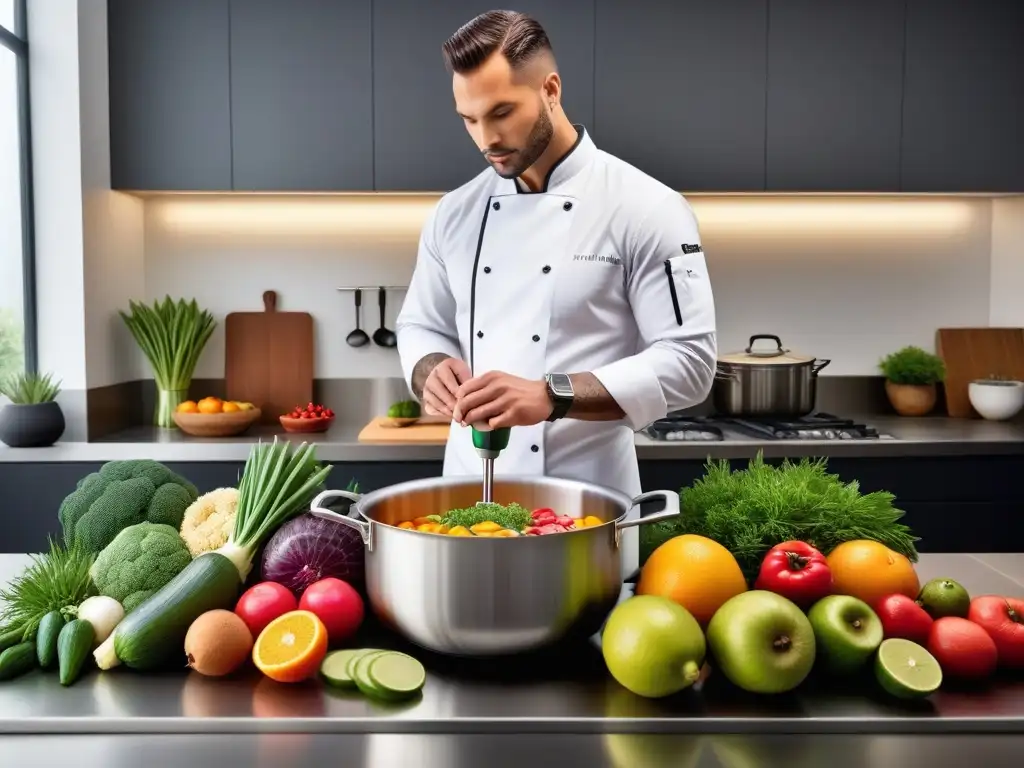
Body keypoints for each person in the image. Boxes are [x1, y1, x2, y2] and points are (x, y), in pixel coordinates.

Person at [396, 10, 717, 501]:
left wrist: (550, 395)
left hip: (588, 502)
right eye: (470, 119)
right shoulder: (453, 214)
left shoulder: (648, 207)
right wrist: (429, 368)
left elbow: (689, 362)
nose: (487, 140)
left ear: (551, 90)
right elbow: (420, 325)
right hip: (464, 497)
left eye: (502, 113)